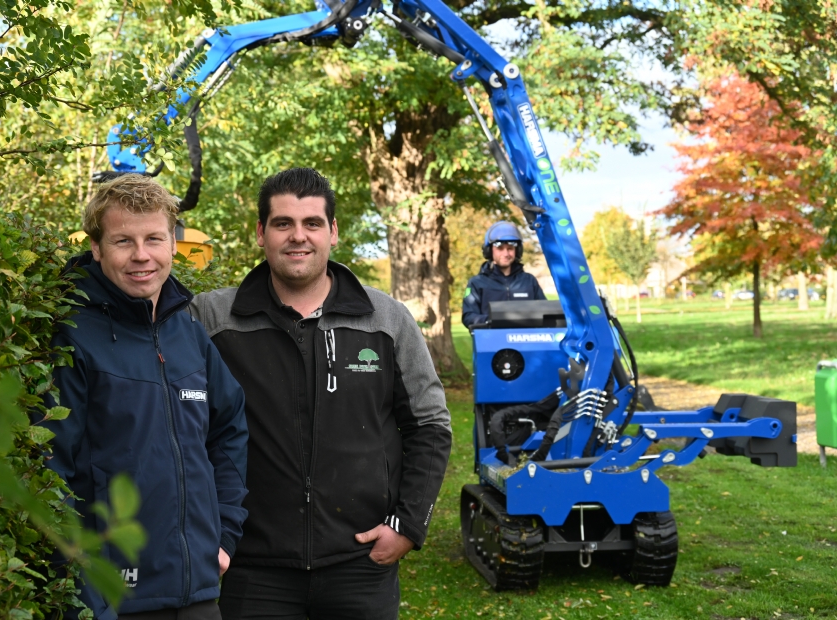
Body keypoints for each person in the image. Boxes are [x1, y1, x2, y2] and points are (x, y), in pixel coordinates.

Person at [189, 167, 452, 620]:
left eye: (312, 223)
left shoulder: (386, 321)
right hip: (252, 569)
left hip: (360, 565)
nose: (298, 236)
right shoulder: (211, 319)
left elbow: (429, 425)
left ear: (333, 232)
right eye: (282, 223)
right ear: (260, 233)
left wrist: (408, 525)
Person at [42, 174, 249, 620]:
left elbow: (229, 428)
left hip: (198, 593)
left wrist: (224, 533)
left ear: (173, 245)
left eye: (154, 239)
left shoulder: (188, 334)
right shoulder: (73, 336)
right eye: (123, 241)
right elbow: (50, 470)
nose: (142, 255)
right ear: (96, 248)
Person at [461, 220, 546, 328]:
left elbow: (544, 312)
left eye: (510, 249)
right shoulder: (477, 283)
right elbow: (468, 316)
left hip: (526, 342)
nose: (506, 254)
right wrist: (493, 320)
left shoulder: (529, 281)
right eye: (500, 249)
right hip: (491, 341)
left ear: (517, 251)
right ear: (489, 251)